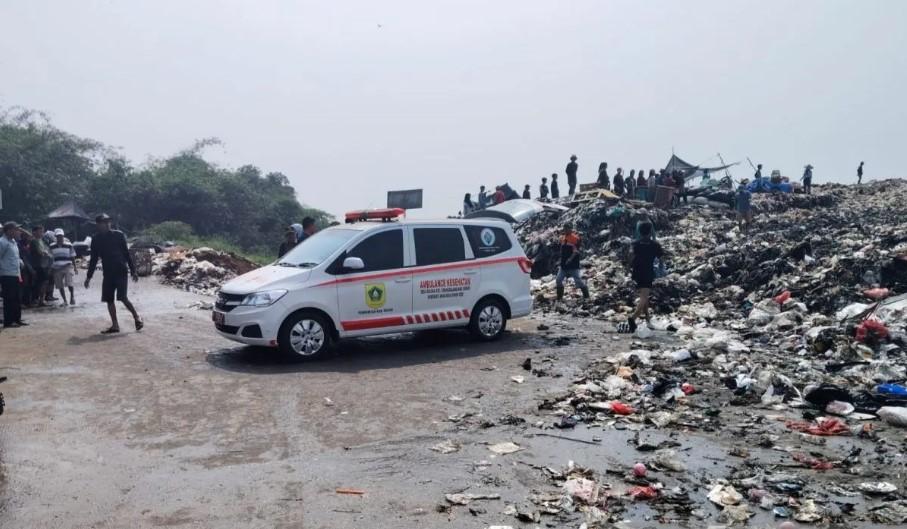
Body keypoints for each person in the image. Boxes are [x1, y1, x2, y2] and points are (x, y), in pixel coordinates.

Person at [84, 214, 143, 334]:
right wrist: (89, 277)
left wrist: (133, 270)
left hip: (120, 270)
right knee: (109, 299)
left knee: (122, 297)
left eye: (108, 222)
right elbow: (94, 259)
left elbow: (126, 253)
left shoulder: (118, 235)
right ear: (98, 224)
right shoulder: (96, 239)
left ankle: (137, 317)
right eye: (104, 222)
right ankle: (115, 325)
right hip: (108, 272)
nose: (107, 224)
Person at [620, 221, 664, 333]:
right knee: (644, 296)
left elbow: (630, 256)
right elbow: (661, 259)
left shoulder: (635, 243)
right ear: (650, 232)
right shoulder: (655, 245)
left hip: (637, 271)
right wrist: (661, 269)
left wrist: (627, 269)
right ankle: (633, 318)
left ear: (639, 231)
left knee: (644, 296)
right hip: (648, 271)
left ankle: (648, 320)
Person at [555, 223, 589, 301]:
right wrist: (560, 260)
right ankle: (559, 298)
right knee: (558, 279)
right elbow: (562, 250)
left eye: (567, 228)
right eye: (565, 228)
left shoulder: (575, 238)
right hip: (564, 264)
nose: (566, 230)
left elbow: (576, 251)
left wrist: (570, 259)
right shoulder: (563, 238)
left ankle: (586, 295)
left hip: (573, 264)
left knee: (578, 280)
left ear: (571, 229)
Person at [1, 222, 26, 328]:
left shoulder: (13, 242)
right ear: (9, 230)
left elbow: (14, 256)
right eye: (16, 229)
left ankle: (17, 319)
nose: (18, 231)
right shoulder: (2, 242)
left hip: (16, 273)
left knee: (17, 298)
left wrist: (20, 261)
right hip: (6, 274)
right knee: (9, 298)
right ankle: (8, 321)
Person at [50, 228, 77, 306]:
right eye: (58, 236)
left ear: (63, 236)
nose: (60, 237)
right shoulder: (52, 246)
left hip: (67, 266)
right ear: (56, 237)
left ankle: (72, 297)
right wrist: (51, 268)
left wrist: (75, 267)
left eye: (61, 236)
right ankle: (65, 300)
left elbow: (72, 256)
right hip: (56, 267)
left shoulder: (69, 245)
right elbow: (50, 257)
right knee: (59, 285)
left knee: (69, 283)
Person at [29, 225, 53, 306]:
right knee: (40, 283)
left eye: (42, 231)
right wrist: (46, 253)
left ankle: (40, 299)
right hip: (38, 265)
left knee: (44, 282)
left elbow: (47, 251)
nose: (42, 233)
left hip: (44, 265)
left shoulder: (42, 241)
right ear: (34, 232)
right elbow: (41, 252)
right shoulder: (34, 241)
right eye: (40, 231)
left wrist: (46, 253)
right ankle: (38, 300)